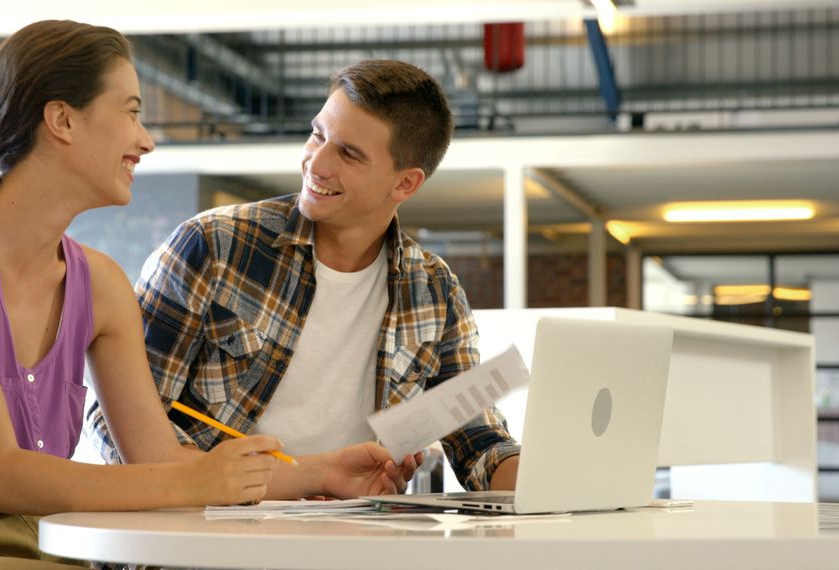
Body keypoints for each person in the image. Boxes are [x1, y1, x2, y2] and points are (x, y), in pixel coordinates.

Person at [0, 20, 284, 569]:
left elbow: (158, 460)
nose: (146, 140)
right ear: (62, 119)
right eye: (131, 112)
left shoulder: (102, 285)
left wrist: (321, 475)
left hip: (39, 540)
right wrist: (195, 483)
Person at [86, 59, 521, 498]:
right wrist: (266, 480)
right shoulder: (214, 246)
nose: (317, 162)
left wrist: (544, 477)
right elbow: (115, 425)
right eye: (318, 134)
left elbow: (480, 444)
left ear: (405, 184)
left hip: (351, 533)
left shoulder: (434, 291)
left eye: (349, 154)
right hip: (208, 526)